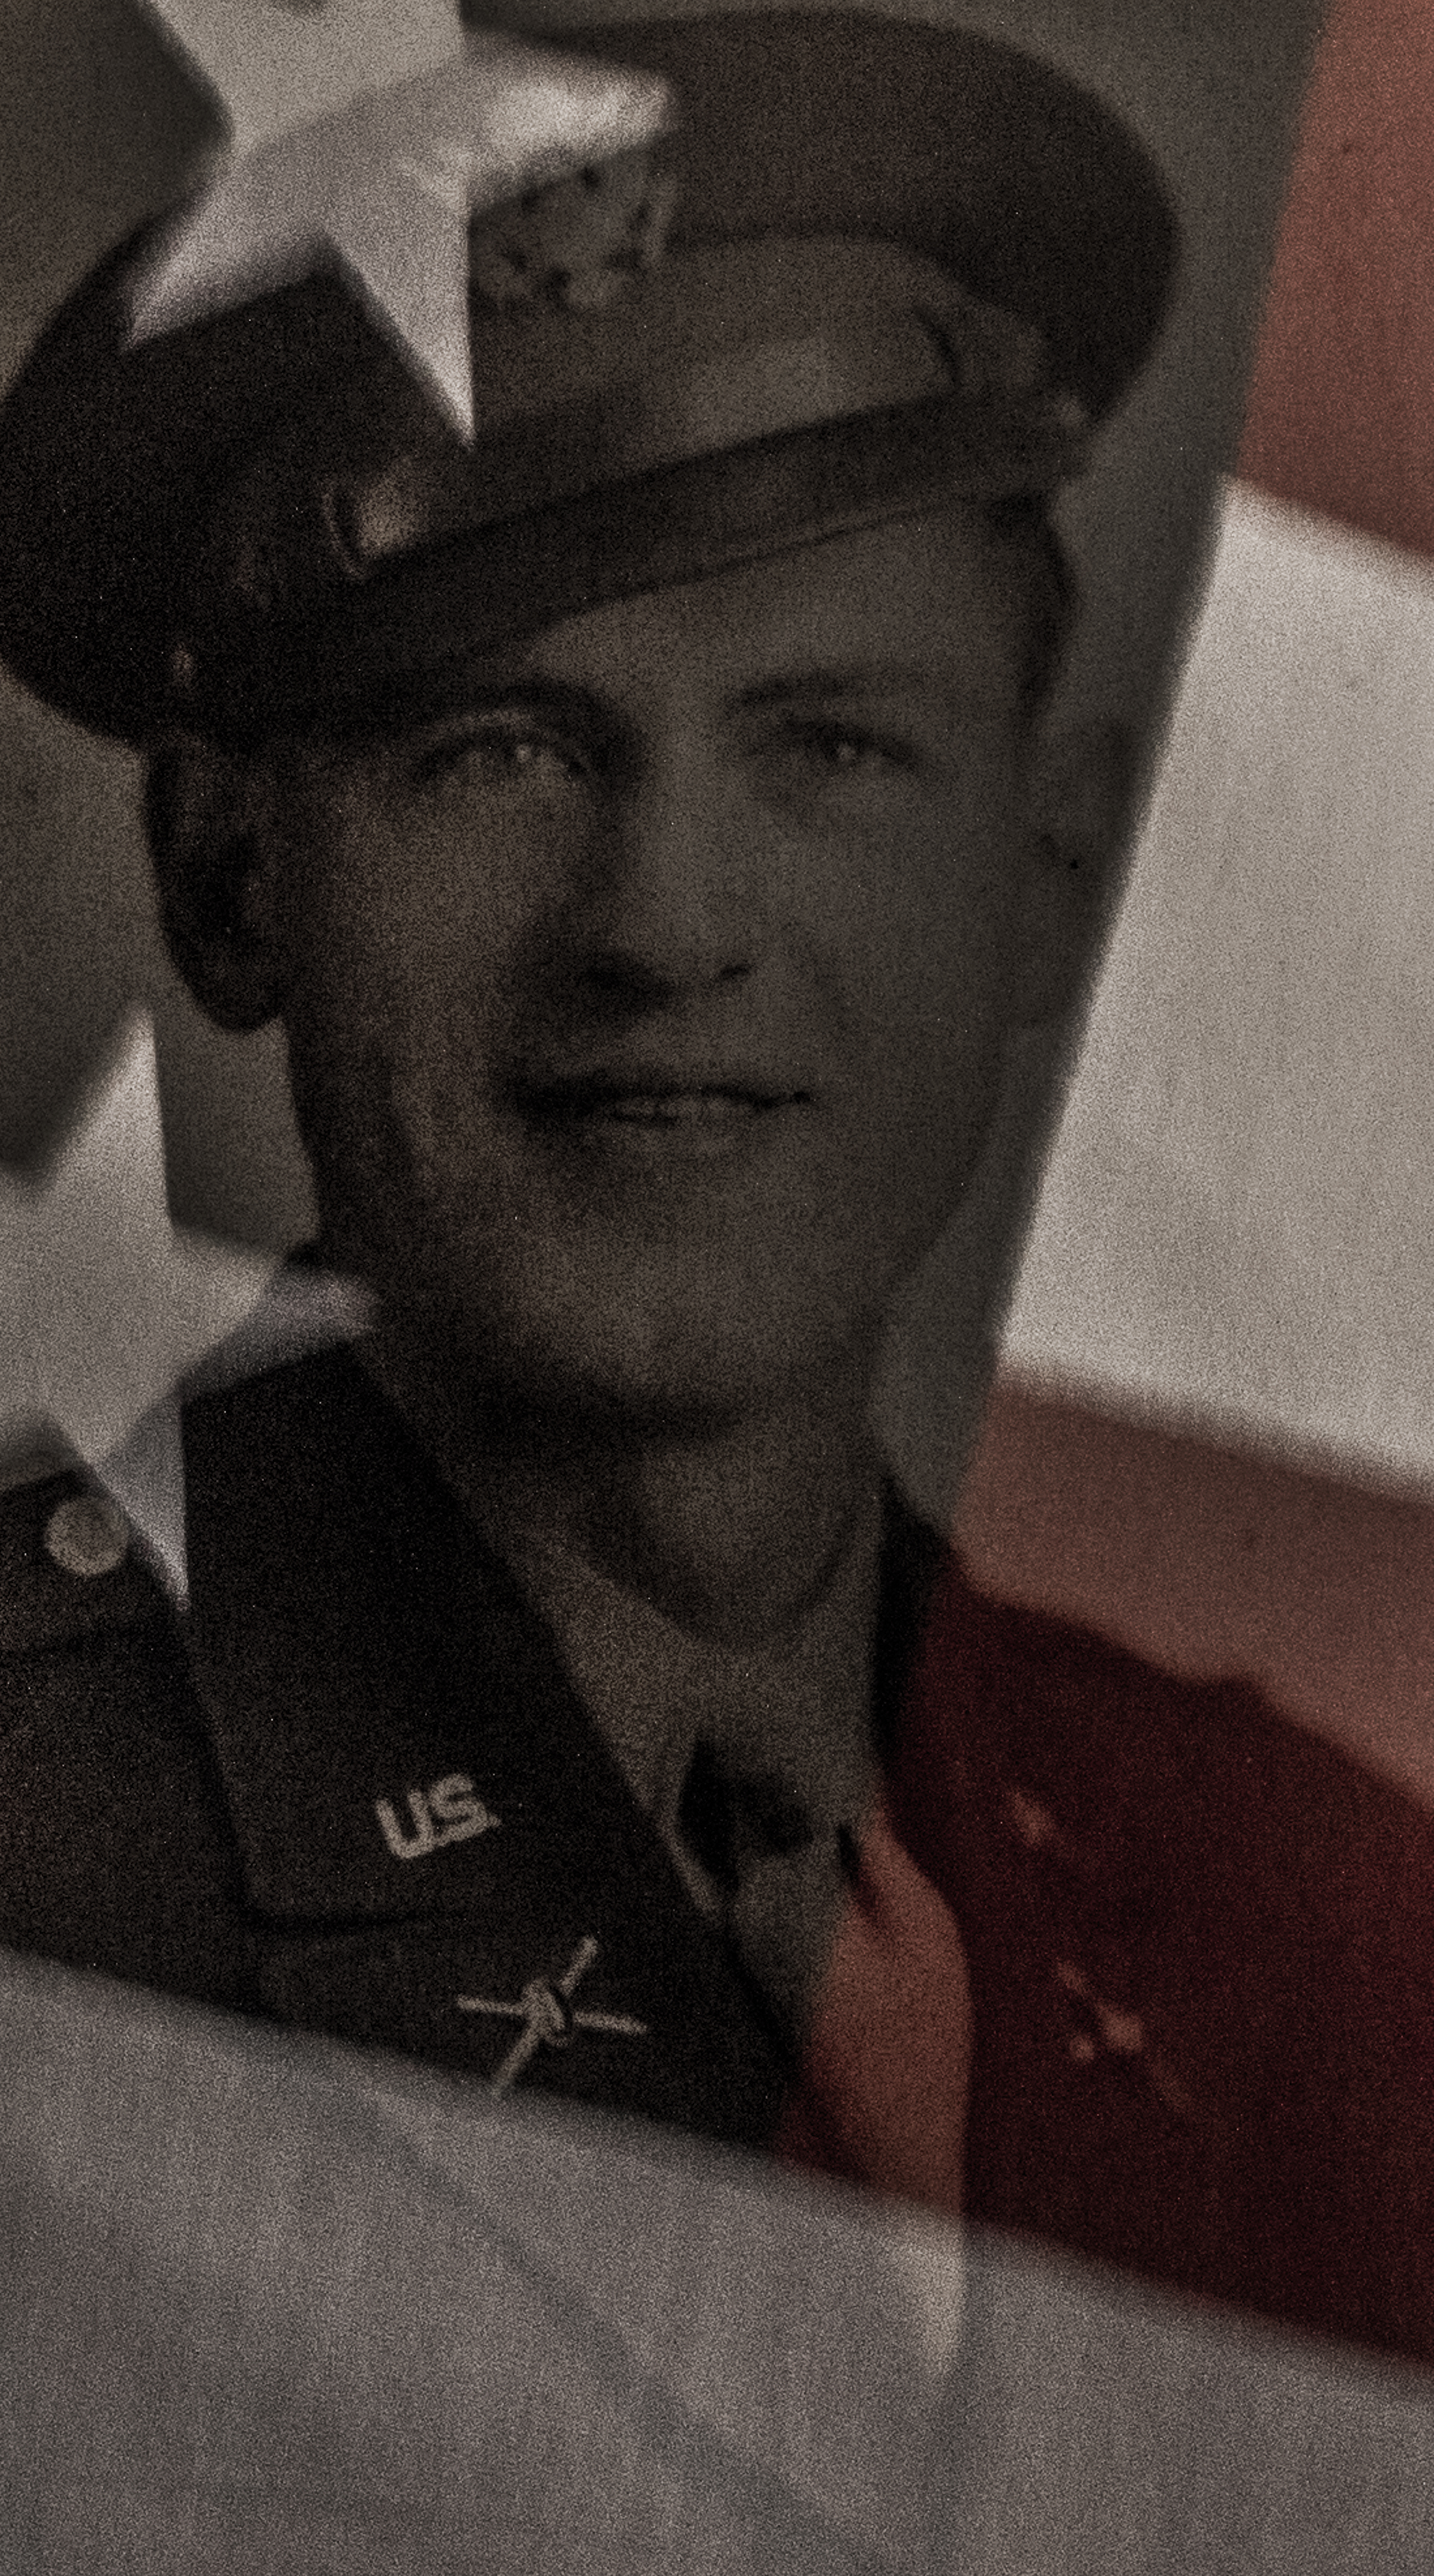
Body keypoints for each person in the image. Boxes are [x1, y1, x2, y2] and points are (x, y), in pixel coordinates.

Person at [0, 7, 1429, 2371]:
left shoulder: (1338, 1931)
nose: (664, 924)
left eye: (832, 745)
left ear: (1044, 885)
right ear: (231, 879)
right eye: (497, 749)